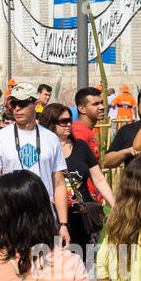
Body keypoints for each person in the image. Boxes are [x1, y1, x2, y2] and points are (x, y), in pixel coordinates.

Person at [0, 82, 71, 246]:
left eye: (22, 103)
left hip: (44, 218)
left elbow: (59, 183)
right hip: (11, 217)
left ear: (36, 104)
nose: (17, 108)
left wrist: (63, 224)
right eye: (13, 104)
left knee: (44, 269)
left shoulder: (51, 139)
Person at [41, 103, 115, 254]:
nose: (69, 124)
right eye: (63, 121)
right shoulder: (43, 150)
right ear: (50, 123)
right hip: (52, 217)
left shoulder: (80, 146)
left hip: (82, 216)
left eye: (70, 120)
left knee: (84, 266)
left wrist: (115, 205)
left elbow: (99, 179)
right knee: (56, 268)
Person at [102, 87, 141, 170]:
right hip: (135, 182)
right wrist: (127, 152)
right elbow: (107, 161)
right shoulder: (126, 130)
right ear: (138, 107)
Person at [71, 86, 104, 159]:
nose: (102, 107)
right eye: (96, 104)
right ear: (82, 109)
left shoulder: (87, 130)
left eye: (102, 103)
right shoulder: (79, 133)